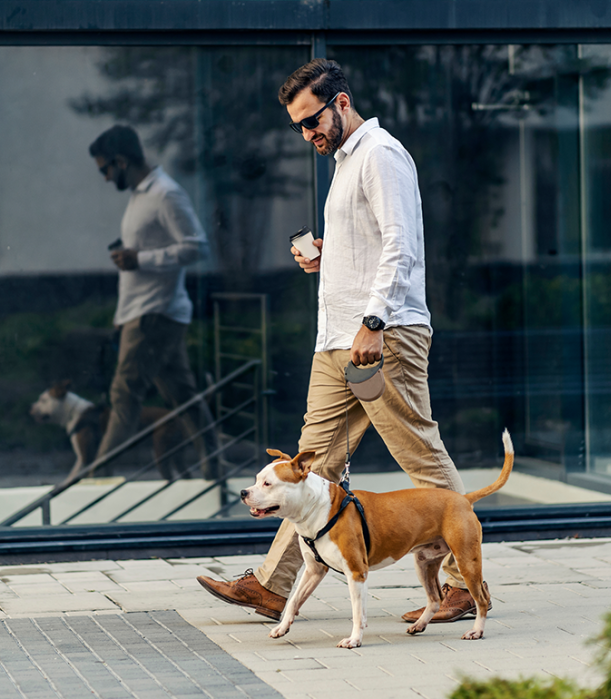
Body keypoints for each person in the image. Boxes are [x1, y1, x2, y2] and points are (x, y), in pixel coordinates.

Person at [197, 59, 486, 624]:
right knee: (312, 462)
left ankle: (459, 583)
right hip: (336, 337)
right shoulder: (345, 163)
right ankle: (272, 585)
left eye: (313, 120)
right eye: (298, 128)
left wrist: (374, 323)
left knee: (420, 455)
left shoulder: (381, 155)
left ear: (343, 101)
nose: (309, 134)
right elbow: (373, 244)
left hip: (384, 333)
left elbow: (402, 244)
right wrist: (331, 255)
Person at [89, 125, 217, 478]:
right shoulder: (140, 196)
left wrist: (140, 259)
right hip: (144, 312)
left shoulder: (165, 194)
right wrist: (121, 315)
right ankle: (214, 470)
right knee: (184, 396)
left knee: (123, 395)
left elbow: (197, 247)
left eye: (104, 169)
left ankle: (95, 478)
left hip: (154, 314)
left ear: (120, 161)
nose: (103, 178)